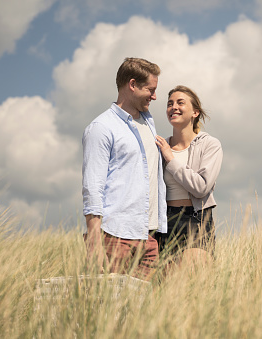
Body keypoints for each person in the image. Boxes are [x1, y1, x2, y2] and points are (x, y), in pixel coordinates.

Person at [82, 57, 167, 281]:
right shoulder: (101, 128)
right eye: (151, 89)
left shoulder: (149, 122)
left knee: (144, 312)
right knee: (110, 310)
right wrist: (94, 241)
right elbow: (93, 187)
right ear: (132, 85)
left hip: (147, 237)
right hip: (114, 236)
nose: (155, 96)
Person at [155, 85, 223, 267]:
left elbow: (201, 187)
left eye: (180, 103)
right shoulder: (159, 147)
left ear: (195, 112)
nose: (173, 107)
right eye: (170, 104)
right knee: (166, 285)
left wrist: (170, 159)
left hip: (195, 219)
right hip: (164, 221)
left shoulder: (210, 145)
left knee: (193, 274)